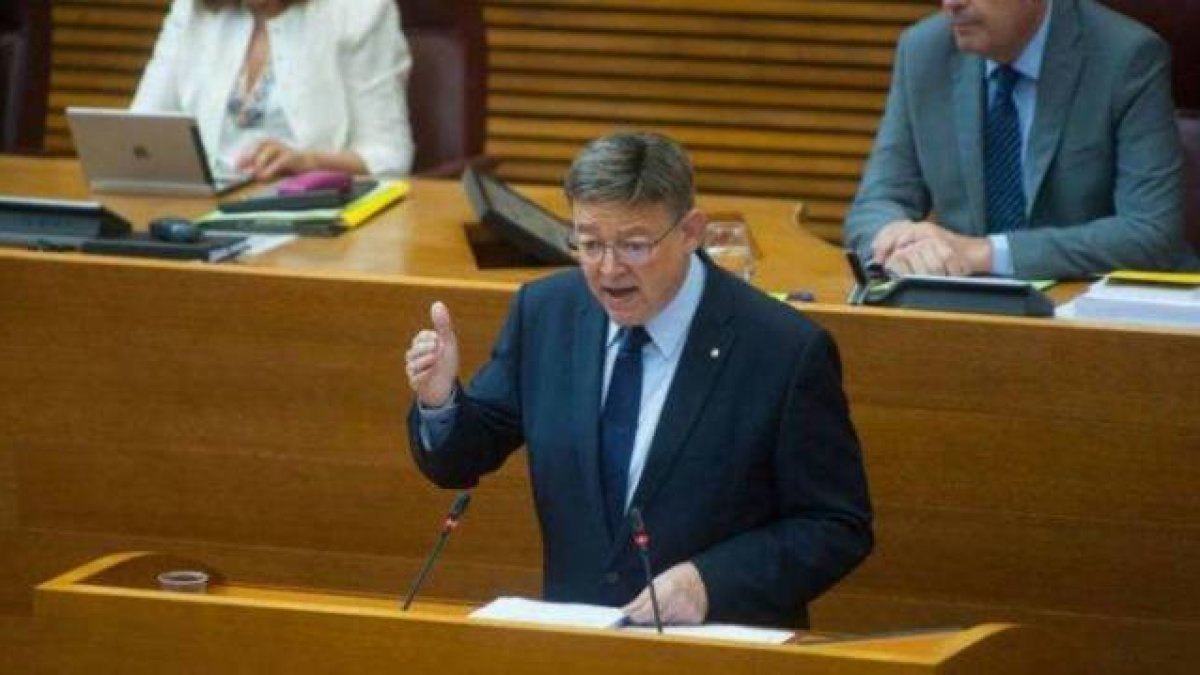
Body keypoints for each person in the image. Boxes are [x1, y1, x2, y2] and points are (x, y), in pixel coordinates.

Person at [403, 131, 873, 628]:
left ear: (691, 231)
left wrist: (710, 581)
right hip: (580, 650)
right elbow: (462, 459)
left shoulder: (783, 349)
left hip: (719, 652)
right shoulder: (546, 313)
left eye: (634, 245)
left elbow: (836, 525)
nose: (609, 270)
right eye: (589, 244)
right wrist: (440, 402)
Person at [844, 0, 1191, 279]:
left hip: (1097, 314)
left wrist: (984, 253)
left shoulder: (1126, 55)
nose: (951, 4)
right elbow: (876, 203)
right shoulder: (924, 50)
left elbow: (1152, 233)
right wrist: (897, 239)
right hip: (970, 313)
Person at [132, 0, 413, 181]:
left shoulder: (359, 10)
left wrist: (308, 161)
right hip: (196, 217)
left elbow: (390, 158)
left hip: (307, 223)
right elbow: (138, 130)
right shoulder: (192, 9)